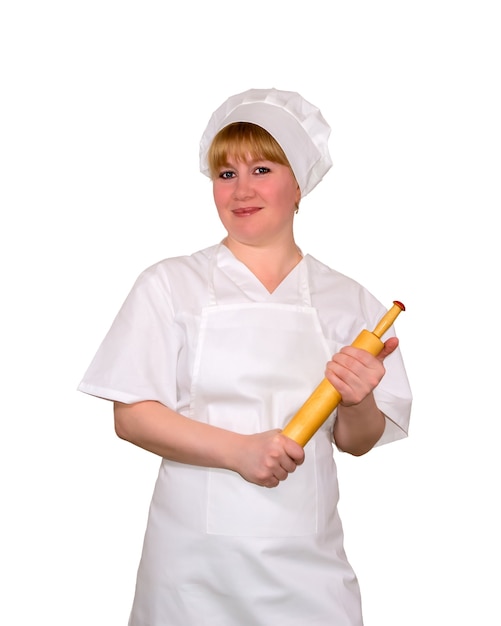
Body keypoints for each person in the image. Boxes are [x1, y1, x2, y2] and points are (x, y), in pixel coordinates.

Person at [78, 87, 412, 626]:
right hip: (192, 574)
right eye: (226, 175)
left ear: (300, 183)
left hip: (309, 568)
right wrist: (238, 451)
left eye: (261, 169)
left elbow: (358, 441)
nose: (240, 191)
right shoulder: (170, 284)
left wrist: (357, 400)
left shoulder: (348, 300)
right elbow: (132, 416)